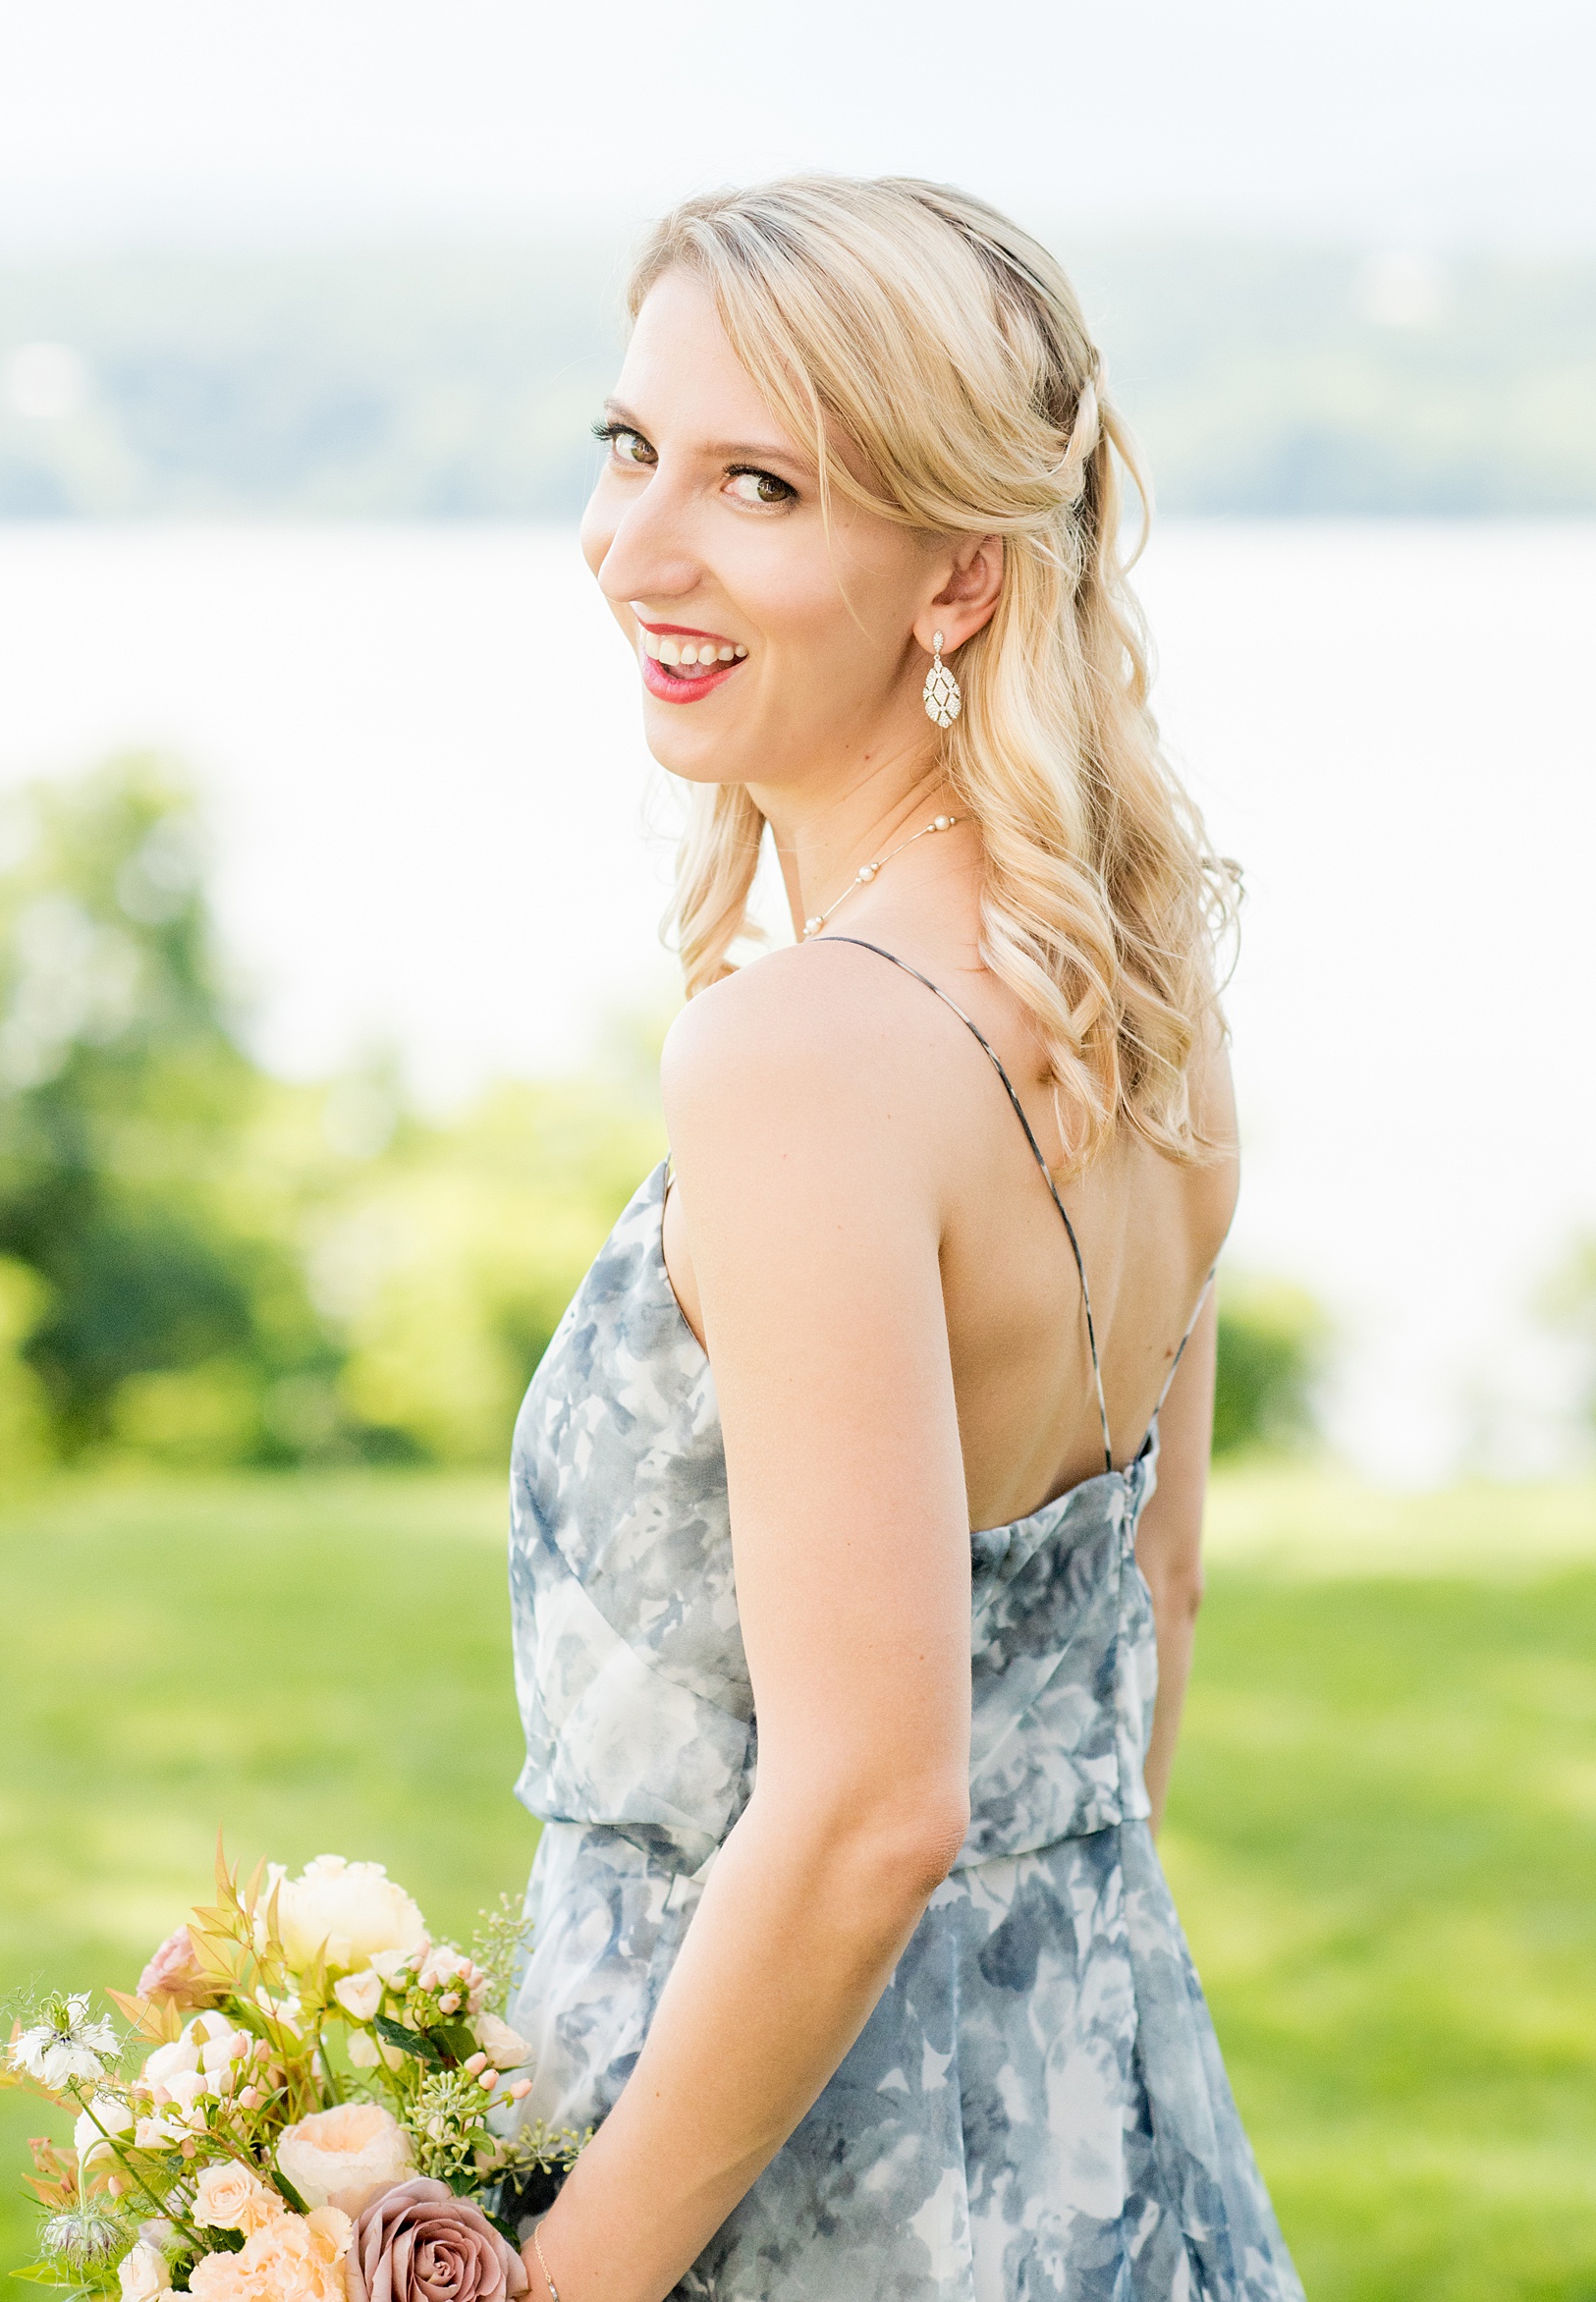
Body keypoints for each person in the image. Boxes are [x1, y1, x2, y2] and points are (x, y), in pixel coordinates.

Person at [505, 175, 1302, 2302]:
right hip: (1100, 2116)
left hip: (773, 2196)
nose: (638, 550)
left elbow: (870, 1804)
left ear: (956, 577)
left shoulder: (801, 1059)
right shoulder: (1137, 976)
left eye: (757, 485)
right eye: (629, 448)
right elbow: (1155, 1588)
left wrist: (568, 2273)